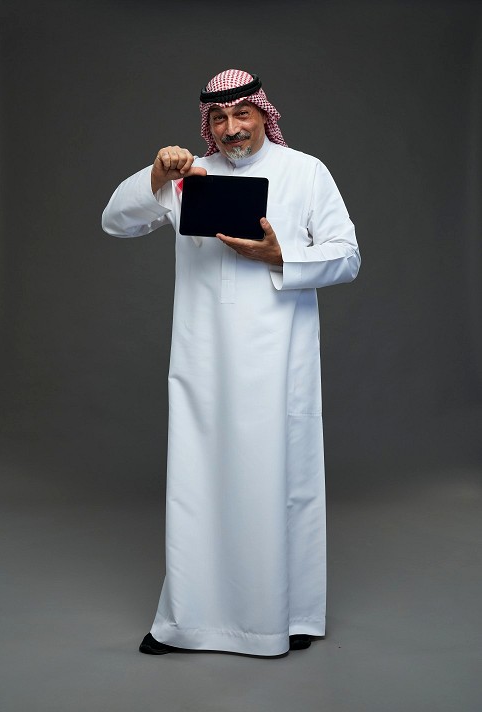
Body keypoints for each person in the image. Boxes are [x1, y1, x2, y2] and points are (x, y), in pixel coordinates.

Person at [102, 68, 360, 658]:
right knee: (198, 486)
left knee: (281, 484)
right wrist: (157, 175)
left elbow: (347, 256)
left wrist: (281, 256)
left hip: (279, 362)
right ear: (207, 124)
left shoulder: (305, 171)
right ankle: (187, 622)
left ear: (263, 114)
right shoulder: (188, 176)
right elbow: (115, 222)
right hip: (203, 362)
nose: (230, 128)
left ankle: (289, 613)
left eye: (242, 113)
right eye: (218, 118)